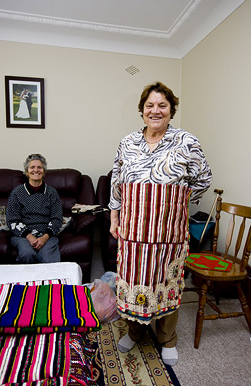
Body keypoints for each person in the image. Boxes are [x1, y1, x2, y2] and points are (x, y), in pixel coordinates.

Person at [109, 81, 212, 366]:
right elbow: (117, 182)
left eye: (162, 106)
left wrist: (176, 203)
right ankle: (135, 331)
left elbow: (203, 179)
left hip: (169, 233)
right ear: (142, 111)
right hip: (133, 231)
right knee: (135, 284)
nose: (156, 111)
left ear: (171, 110)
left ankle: (167, 339)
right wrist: (114, 217)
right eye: (150, 106)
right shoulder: (127, 142)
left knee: (166, 284)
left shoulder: (187, 142)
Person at [6, 154, 63, 263]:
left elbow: (57, 219)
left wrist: (44, 237)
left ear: (44, 171)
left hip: (47, 235)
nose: (36, 170)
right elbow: (12, 219)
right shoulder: (17, 192)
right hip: (22, 236)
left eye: (39, 167)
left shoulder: (52, 192)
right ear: (27, 172)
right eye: (32, 167)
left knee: (48, 258)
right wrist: (29, 236)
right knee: (27, 254)